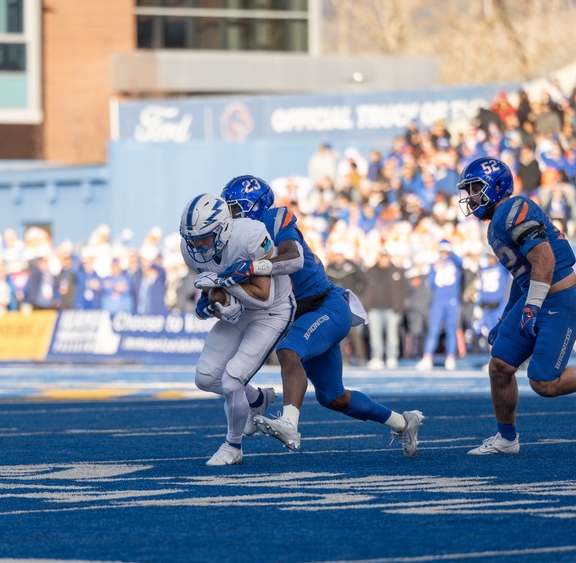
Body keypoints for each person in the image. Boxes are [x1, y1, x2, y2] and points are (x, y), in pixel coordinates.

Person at [217, 175, 424, 457]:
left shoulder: (274, 219)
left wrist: (254, 267)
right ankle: (403, 422)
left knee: (288, 351)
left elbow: (293, 257)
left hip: (324, 305)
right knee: (333, 397)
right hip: (301, 315)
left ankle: (289, 423)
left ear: (254, 206)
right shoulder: (235, 242)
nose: (230, 217)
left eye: (235, 209)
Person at [456, 157, 576, 456]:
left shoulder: (513, 210)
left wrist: (531, 309)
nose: (470, 198)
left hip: (561, 301)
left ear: (496, 187)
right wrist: (508, 315)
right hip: (534, 297)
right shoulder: (496, 223)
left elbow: (544, 262)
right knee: (500, 367)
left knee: (543, 382)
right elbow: (521, 277)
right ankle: (507, 439)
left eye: (475, 189)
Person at [179, 192, 289, 466]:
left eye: (204, 236)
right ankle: (256, 399)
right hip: (240, 309)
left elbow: (263, 295)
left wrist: (223, 281)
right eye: (192, 239)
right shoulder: (190, 249)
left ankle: (233, 446)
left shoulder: (251, 235)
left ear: (224, 228)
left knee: (231, 380)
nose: (197, 244)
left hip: (271, 310)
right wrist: (209, 305)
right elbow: (214, 292)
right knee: (205, 378)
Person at [415, 240, 463, 371]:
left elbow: (461, 262)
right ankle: (427, 357)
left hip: (452, 300)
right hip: (438, 300)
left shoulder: (455, 262)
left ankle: (450, 357)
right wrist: (434, 270)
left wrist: (451, 252)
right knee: (433, 329)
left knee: (451, 329)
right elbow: (430, 283)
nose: (444, 253)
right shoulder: (434, 264)